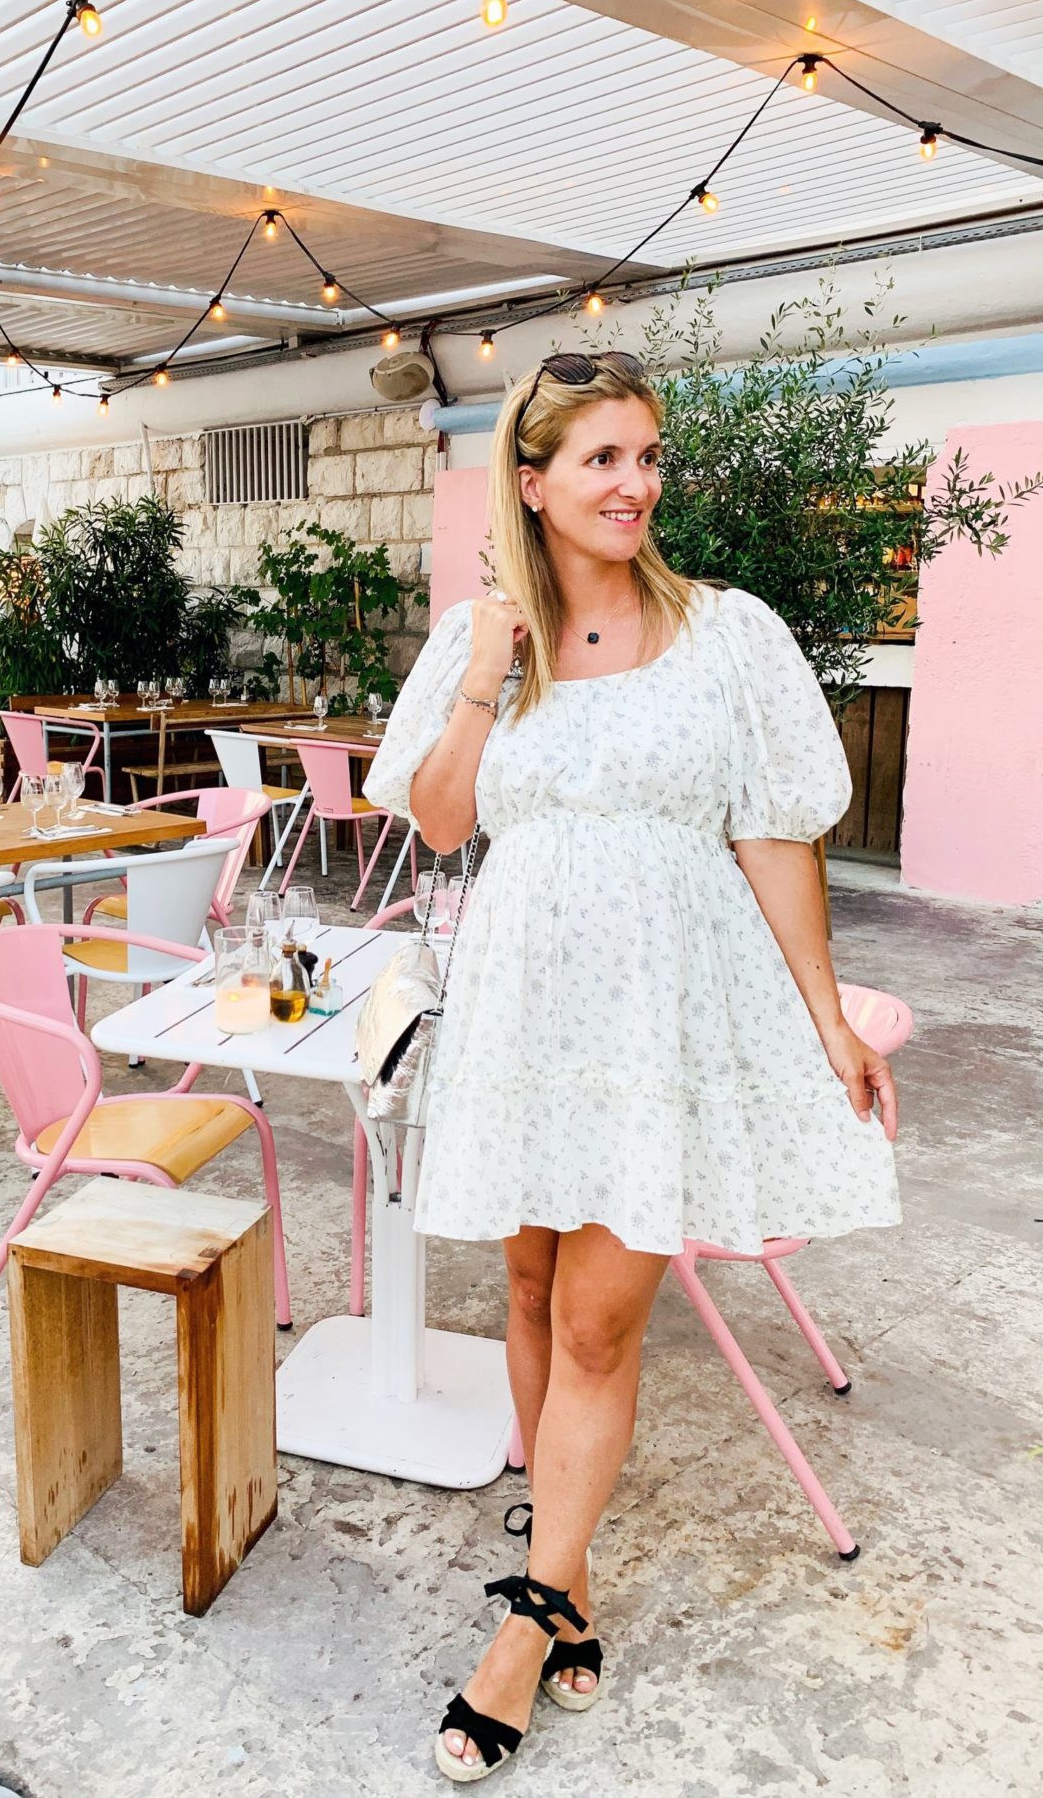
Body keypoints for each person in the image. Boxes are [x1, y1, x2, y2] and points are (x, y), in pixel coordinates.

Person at [362, 352, 900, 1784]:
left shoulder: (726, 632)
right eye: (602, 457)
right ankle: (574, 1573)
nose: (635, 484)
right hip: (524, 1004)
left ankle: (522, 1627)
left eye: (648, 456)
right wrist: (484, 673)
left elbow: (775, 833)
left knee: (601, 1325)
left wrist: (828, 1015)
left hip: (658, 1015)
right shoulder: (482, 639)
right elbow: (437, 822)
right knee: (532, 1290)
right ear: (531, 480)